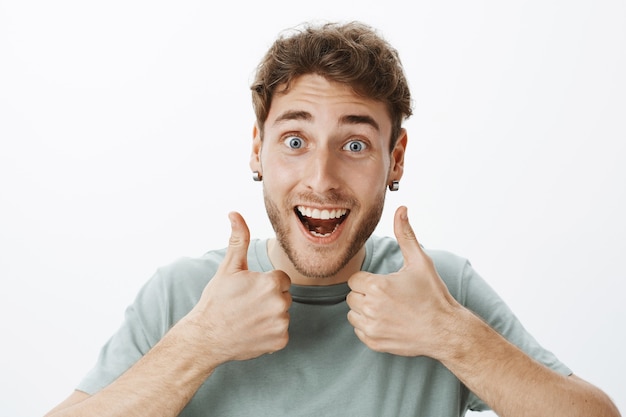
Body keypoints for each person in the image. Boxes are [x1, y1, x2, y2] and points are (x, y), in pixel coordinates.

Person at [45, 21, 620, 417]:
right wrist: (199, 345)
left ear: (395, 158)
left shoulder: (440, 292)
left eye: (355, 145)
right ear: (256, 149)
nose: (321, 178)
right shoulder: (184, 297)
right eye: (295, 139)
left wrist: (451, 336)